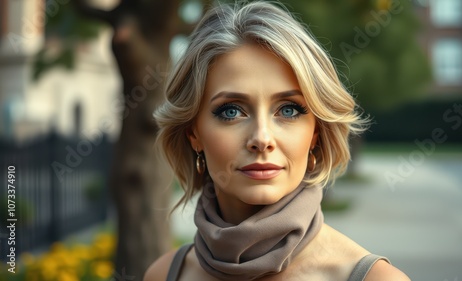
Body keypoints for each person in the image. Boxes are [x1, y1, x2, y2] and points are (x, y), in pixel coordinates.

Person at [145, 1, 410, 280]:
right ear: (194, 133)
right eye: (231, 111)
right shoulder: (163, 274)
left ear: (315, 134)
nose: (262, 139)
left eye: (288, 110)